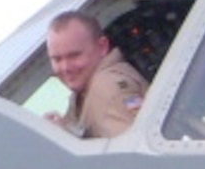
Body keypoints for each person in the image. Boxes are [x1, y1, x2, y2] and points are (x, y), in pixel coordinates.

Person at [44, 11, 150, 139]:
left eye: (74, 56)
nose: (65, 68)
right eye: (57, 59)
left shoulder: (107, 88)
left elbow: (133, 154)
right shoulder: (86, 90)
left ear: (102, 47)